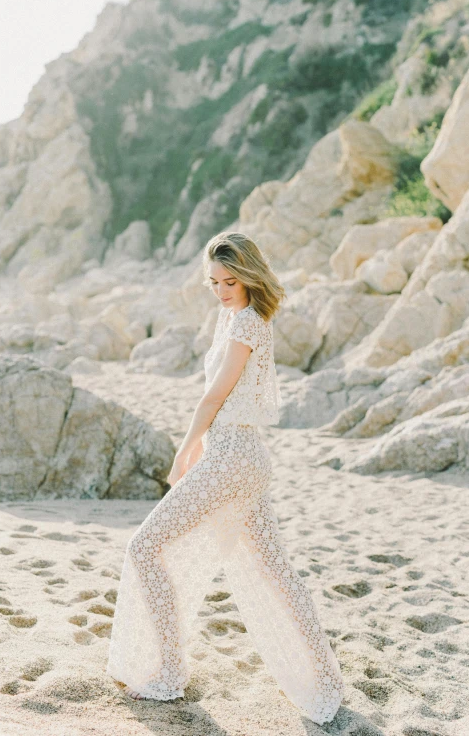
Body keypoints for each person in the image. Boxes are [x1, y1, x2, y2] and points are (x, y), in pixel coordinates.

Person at [106, 231, 344, 724]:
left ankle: (168, 675)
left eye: (229, 281)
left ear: (250, 275)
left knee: (146, 547)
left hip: (232, 458)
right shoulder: (233, 317)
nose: (220, 290)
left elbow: (214, 397)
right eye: (213, 282)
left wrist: (185, 448)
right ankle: (325, 677)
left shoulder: (248, 323)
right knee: (276, 573)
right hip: (244, 458)